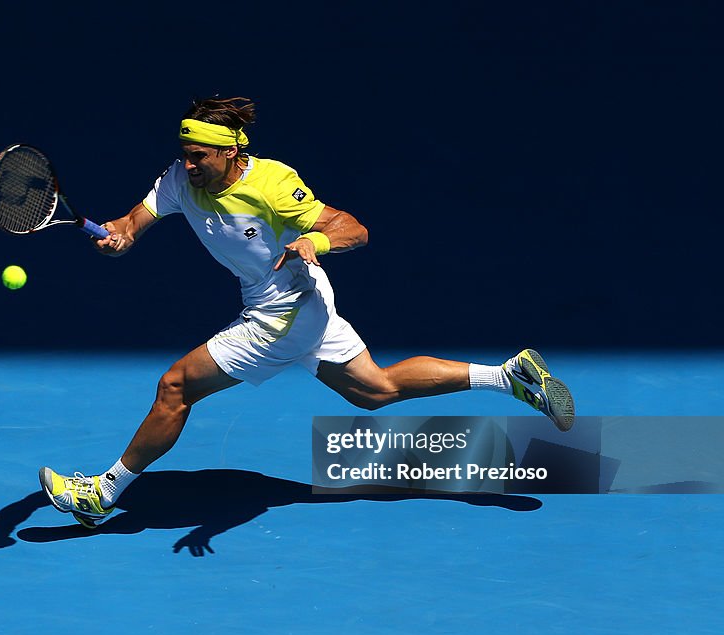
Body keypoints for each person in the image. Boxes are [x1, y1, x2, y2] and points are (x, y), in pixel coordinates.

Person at [40, 96, 574, 528]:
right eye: (184, 151)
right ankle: (509, 377)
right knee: (375, 391)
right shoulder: (183, 179)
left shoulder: (271, 184)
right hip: (295, 301)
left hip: (284, 311)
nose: (188, 162)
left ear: (230, 152)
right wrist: (120, 235)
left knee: (175, 387)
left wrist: (315, 239)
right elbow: (135, 220)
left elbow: (353, 228)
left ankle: (103, 493)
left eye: (199, 154)